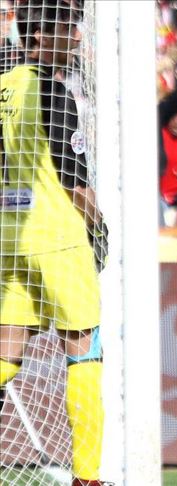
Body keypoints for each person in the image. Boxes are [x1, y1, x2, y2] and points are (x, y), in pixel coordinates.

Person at [0, 2, 107, 485]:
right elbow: (74, 181)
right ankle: (88, 478)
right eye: (68, 26)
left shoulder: (4, 86)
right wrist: (98, 226)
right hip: (59, 236)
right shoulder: (53, 91)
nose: (78, 36)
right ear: (41, 34)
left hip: (10, 236)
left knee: (6, 351)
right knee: (85, 348)